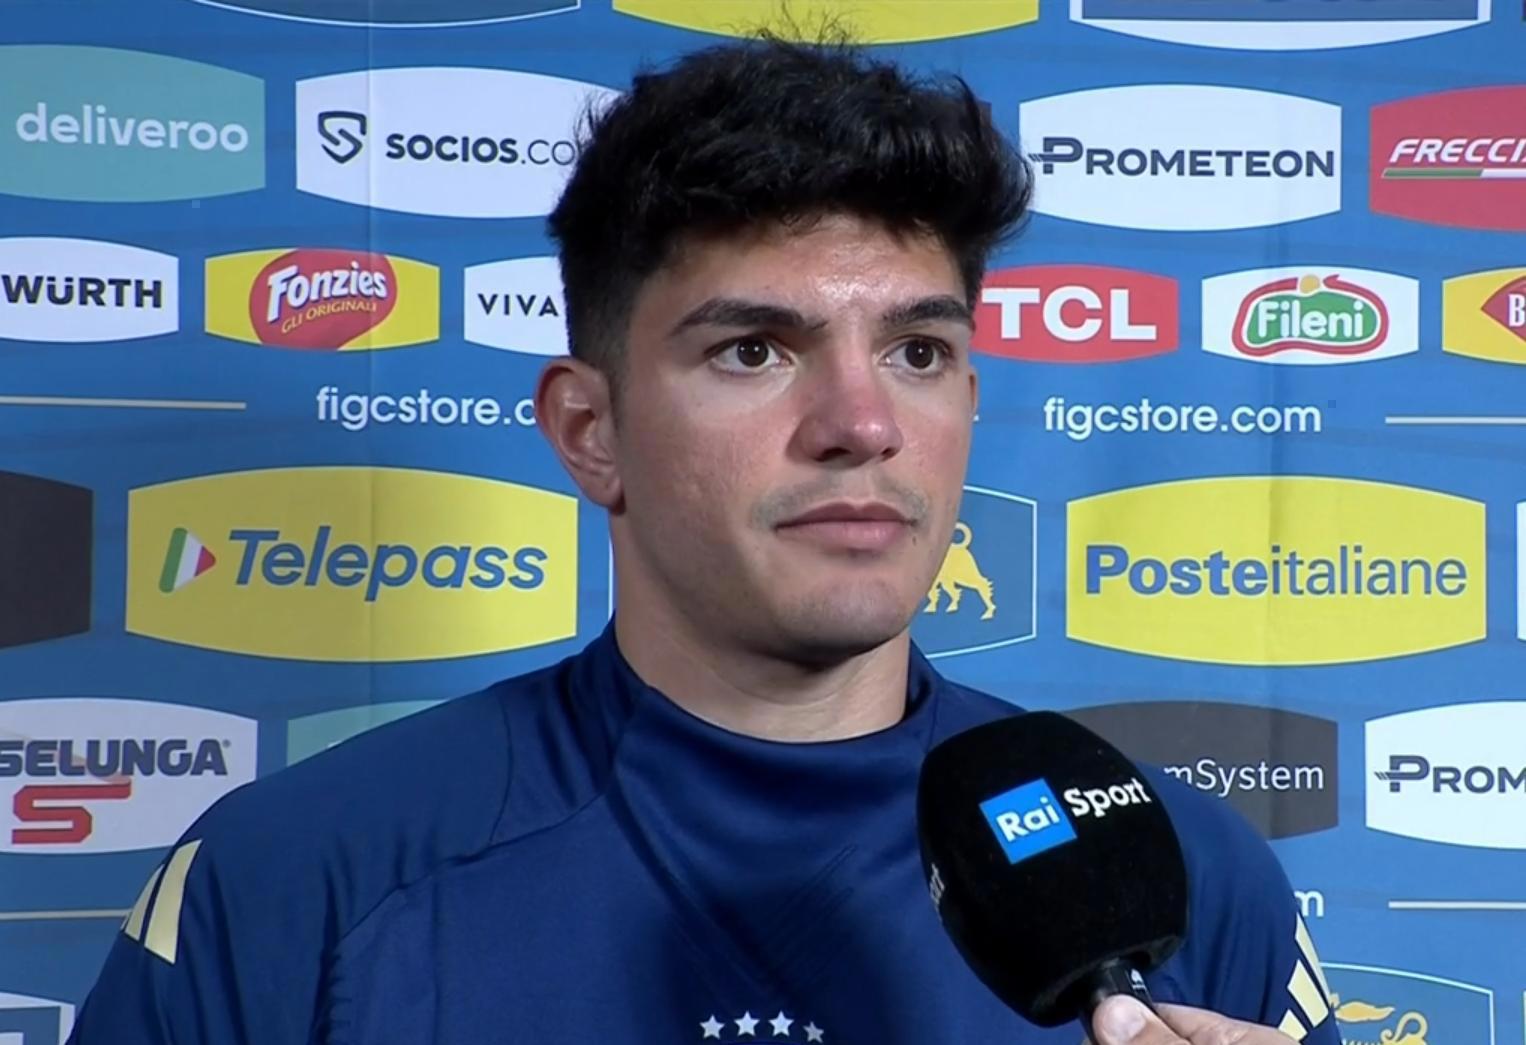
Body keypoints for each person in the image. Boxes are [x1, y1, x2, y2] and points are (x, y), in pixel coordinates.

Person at [67, 33, 1337, 1045]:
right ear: (590, 431)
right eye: (753, 350)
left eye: (916, 351)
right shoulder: (298, 878)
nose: (861, 424)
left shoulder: (1187, 884)